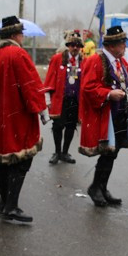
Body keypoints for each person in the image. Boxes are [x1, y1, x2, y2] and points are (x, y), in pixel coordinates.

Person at [0, 16, 48, 224]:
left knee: (1, 161)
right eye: (22, 34)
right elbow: (30, 85)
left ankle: (4, 203)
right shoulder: (18, 54)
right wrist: (40, 108)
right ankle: (11, 205)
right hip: (16, 117)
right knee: (21, 161)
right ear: (17, 34)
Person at [79, 25, 128, 206]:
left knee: (113, 153)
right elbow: (88, 87)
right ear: (113, 45)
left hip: (120, 114)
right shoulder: (95, 61)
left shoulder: (121, 62)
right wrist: (108, 94)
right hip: (106, 116)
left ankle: (102, 186)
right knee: (107, 153)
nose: (125, 47)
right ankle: (96, 187)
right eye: (122, 43)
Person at [43, 30, 84, 165]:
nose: (75, 48)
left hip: (75, 99)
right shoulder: (57, 59)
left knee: (71, 126)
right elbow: (49, 79)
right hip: (61, 99)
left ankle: (65, 152)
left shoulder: (84, 61)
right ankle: (57, 152)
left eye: (78, 45)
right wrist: (47, 99)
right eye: (72, 45)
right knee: (58, 126)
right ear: (68, 45)